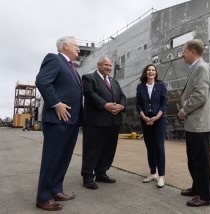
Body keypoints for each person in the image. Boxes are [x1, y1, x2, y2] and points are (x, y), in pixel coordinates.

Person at [35, 36, 83, 211]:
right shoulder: (54, 59)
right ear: (65, 46)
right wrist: (56, 104)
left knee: (63, 159)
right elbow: (42, 81)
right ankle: (43, 197)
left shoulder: (72, 68)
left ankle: (56, 189)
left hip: (71, 120)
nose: (79, 48)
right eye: (76, 45)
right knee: (52, 159)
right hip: (57, 119)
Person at [177, 39, 210, 207]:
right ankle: (197, 187)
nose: (182, 54)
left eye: (184, 51)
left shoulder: (201, 68)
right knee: (194, 159)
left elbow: (200, 95)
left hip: (198, 123)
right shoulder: (196, 68)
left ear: (193, 51)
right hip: (194, 123)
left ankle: (206, 196)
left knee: (201, 161)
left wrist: (184, 110)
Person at [81, 57, 126, 189]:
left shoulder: (114, 82)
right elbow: (89, 93)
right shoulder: (88, 78)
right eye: (106, 65)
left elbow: (122, 96)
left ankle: (101, 173)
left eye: (110, 65)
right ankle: (88, 176)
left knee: (108, 149)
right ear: (99, 65)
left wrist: (121, 107)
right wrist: (105, 105)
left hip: (113, 121)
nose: (108, 67)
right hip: (95, 122)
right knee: (92, 150)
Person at [136, 64, 168, 188]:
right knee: (149, 146)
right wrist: (144, 116)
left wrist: (157, 117)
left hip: (159, 119)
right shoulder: (141, 87)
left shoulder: (161, 85)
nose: (151, 72)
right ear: (145, 72)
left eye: (153, 70)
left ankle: (161, 176)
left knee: (159, 146)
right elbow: (138, 104)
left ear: (156, 72)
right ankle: (152, 173)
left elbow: (164, 103)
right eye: (149, 70)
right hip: (145, 119)